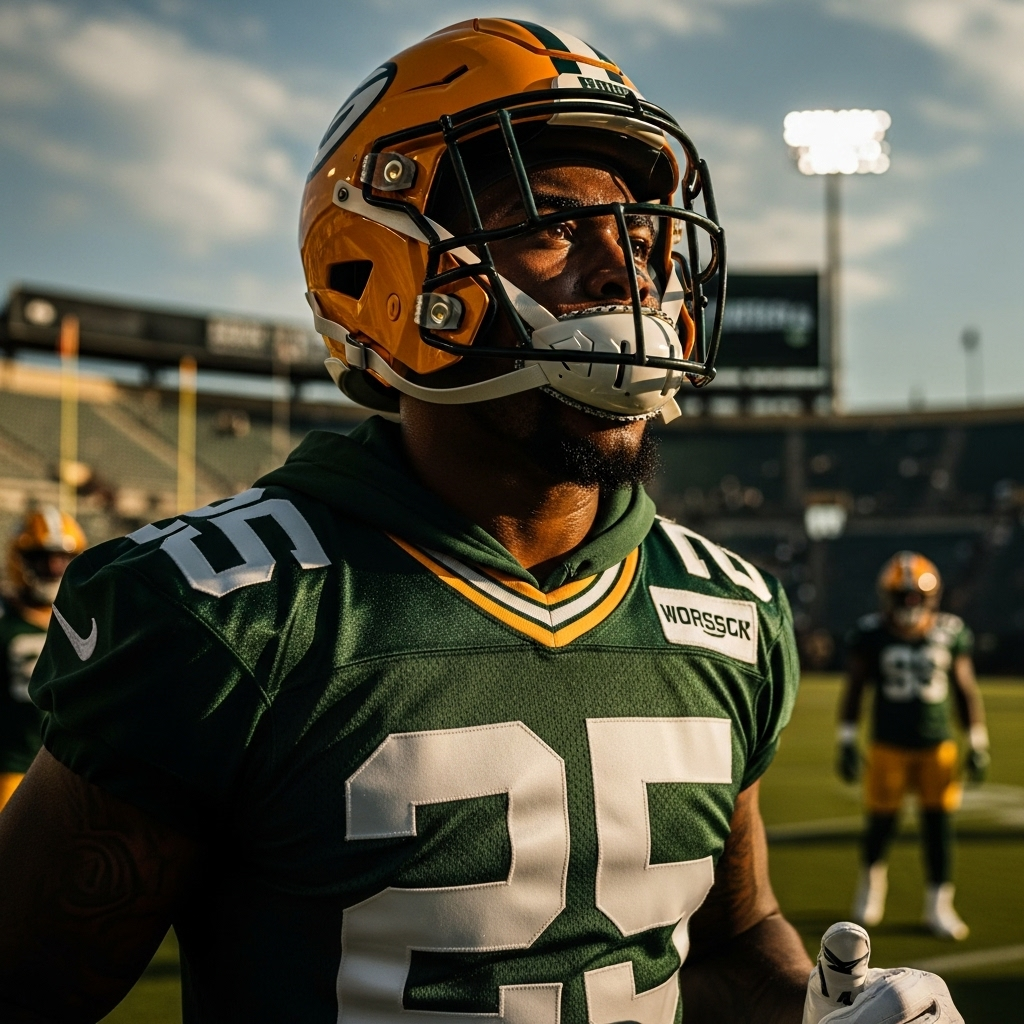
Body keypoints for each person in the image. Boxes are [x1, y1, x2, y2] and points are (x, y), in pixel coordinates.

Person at [0, 20, 963, 1024]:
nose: (627, 271)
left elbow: (724, 940)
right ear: (383, 270)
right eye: (550, 223)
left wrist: (816, 1008)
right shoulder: (223, 609)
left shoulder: (726, 606)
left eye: (639, 236)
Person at [838, 551, 989, 941]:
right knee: (881, 825)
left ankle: (939, 904)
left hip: (937, 746)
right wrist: (847, 739)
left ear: (931, 597)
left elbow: (965, 689)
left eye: (914, 597)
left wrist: (977, 740)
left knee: (938, 827)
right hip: (888, 745)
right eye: (902, 597)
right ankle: (870, 891)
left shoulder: (950, 631)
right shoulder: (871, 633)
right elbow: (855, 689)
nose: (909, 604)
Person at [0, 506, 85, 813]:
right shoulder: (6, 620)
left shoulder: (86, 618)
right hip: (13, 766)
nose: (53, 568)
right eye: (43, 558)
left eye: (62, 559)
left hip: (71, 771)